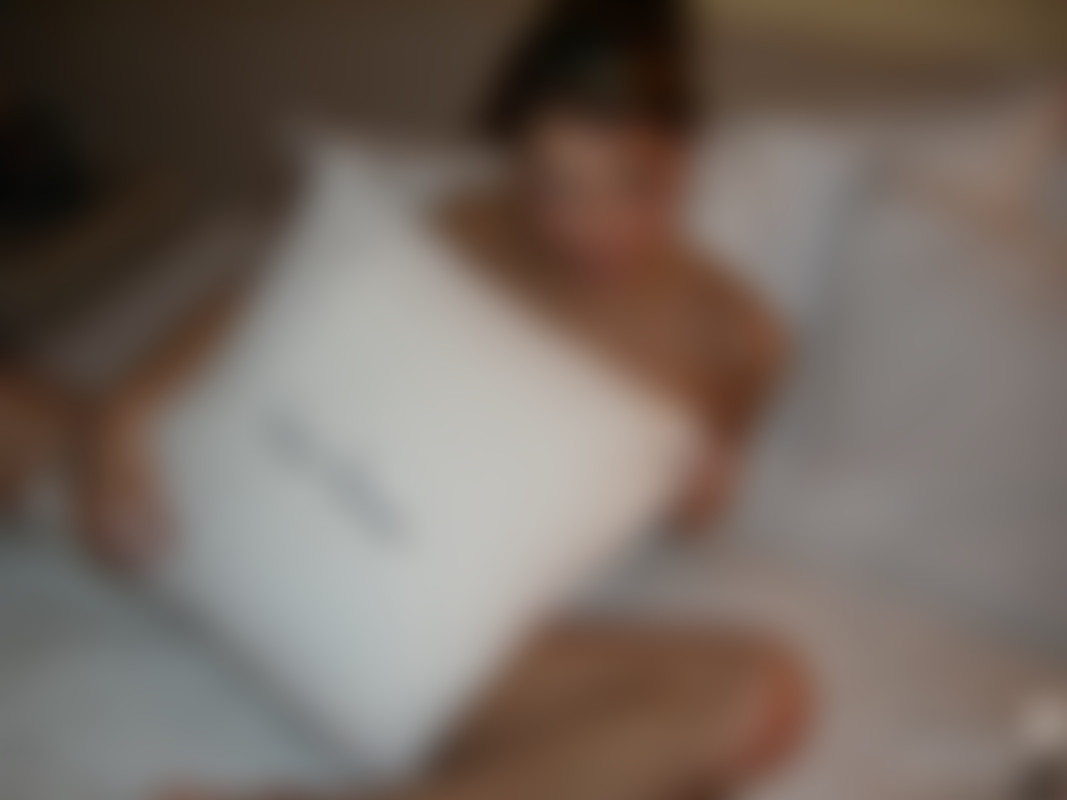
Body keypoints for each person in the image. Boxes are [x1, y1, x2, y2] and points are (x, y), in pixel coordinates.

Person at [77, 0, 808, 797]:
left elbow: (699, 520)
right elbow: (274, 303)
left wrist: (701, 492)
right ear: (517, 159)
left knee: (763, 699)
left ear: (684, 154)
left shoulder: (734, 333)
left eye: (633, 185)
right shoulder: (470, 228)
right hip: (301, 531)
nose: (588, 225)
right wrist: (126, 420)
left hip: (465, 645)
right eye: (552, 185)